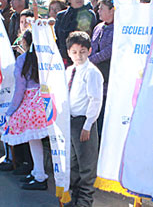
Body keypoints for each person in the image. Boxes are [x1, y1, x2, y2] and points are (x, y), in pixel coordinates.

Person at [2, 29, 50, 190]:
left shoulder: (23, 59)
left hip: (30, 103)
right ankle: (38, 172)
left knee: (34, 141)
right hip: (47, 101)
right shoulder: (47, 57)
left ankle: (40, 176)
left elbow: (19, 89)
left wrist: (11, 110)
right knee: (37, 141)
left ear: (26, 42)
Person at [65, 31, 103, 207]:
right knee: (73, 165)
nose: (78, 56)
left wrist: (88, 125)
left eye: (82, 51)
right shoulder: (69, 71)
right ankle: (75, 199)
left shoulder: (92, 72)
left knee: (86, 166)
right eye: (74, 52)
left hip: (84, 122)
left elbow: (95, 100)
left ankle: (85, 203)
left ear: (89, 51)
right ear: (69, 53)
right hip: (70, 121)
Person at [88, 0, 114, 137]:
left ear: (112, 10)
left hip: (108, 73)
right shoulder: (98, 27)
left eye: (102, 8)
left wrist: (91, 59)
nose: (98, 11)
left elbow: (110, 50)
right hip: (96, 73)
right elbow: (92, 46)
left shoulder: (118, 27)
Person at [55, 0, 97, 65]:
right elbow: (56, 37)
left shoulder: (89, 14)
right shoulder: (61, 16)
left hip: (81, 58)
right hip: (63, 59)